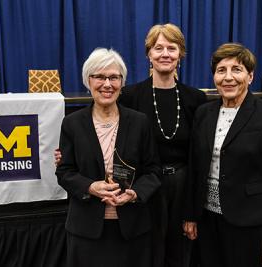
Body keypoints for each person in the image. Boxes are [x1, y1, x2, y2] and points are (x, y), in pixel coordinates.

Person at [183, 43, 262, 267]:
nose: (228, 77)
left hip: (248, 222)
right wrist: (191, 215)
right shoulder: (203, 113)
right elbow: (195, 168)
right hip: (207, 218)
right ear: (214, 76)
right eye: (221, 70)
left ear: (250, 76)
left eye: (237, 69)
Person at [55, 48, 161, 267]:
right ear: (88, 80)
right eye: (100, 77)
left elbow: (153, 171)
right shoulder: (72, 123)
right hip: (86, 230)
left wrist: (135, 194)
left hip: (132, 229)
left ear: (122, 83)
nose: (107, 84)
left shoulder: (139, 122)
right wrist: (91, 187)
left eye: (114, 77)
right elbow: (65, 172)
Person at [119, 23, 207, 267]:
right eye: (158, 48)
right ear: (149, 54)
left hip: (182, 185)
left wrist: (193, 209)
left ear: (181, 55)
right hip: (145, 187)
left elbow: (198, 156)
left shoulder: (195, 98)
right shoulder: (130, 96)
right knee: (147, 251)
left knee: (178, 254)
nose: (165, 54)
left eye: (172, 48)